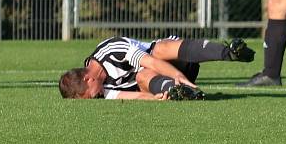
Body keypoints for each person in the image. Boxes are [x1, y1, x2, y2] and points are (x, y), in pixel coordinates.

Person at [59, 36, 254, 100]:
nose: (97, 96)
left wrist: (180, 75)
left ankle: (229, 52)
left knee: (157, 50)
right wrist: (155, 100)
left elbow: (152, 62)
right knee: (142, 76)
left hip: (178, 63)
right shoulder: (101, 89)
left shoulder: (112, 49)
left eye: (91, 95)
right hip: (161, 83)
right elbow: (132, 96)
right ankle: (181, 93)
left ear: (88, 79)